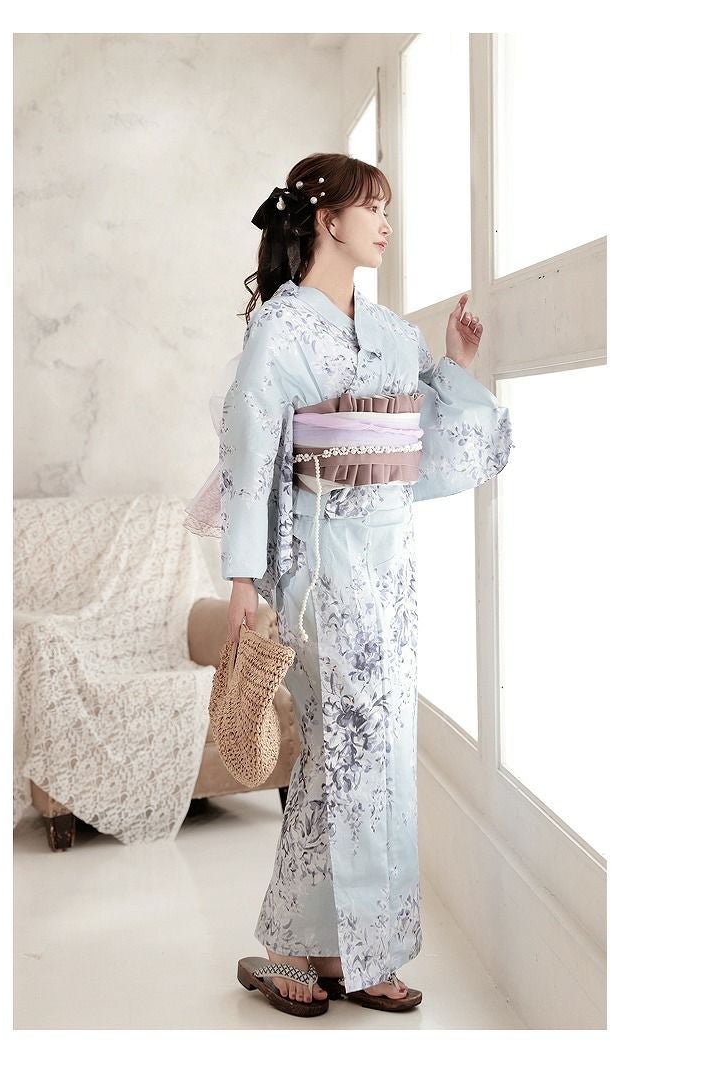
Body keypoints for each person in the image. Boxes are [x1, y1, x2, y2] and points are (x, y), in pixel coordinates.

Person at [184, 152, 513, 1016]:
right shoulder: (282, 329)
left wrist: (455, 363)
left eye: (388, 207)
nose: (385, 222)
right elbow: (250, 452)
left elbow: (428, 438)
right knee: (348, 744)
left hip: (390, 563)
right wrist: (244, 580)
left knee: (380, 748)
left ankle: (336, 949)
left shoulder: (394, 334)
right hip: (322, 557)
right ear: (327, 219)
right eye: (372, 207)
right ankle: (309, 947)